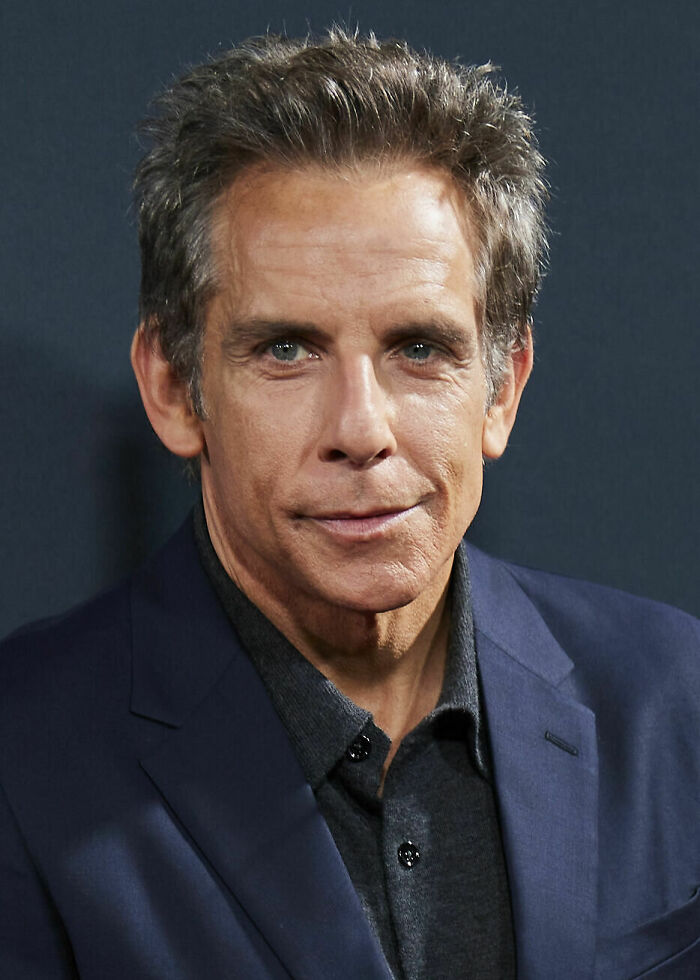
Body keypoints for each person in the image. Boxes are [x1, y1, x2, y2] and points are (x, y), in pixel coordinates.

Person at [1, 29, 698, 980]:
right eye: (286, 350)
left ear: (502, 387)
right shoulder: (22, 758)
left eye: (419, 348)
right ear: (171, 385)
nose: (360, 428)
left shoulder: (677, 704)